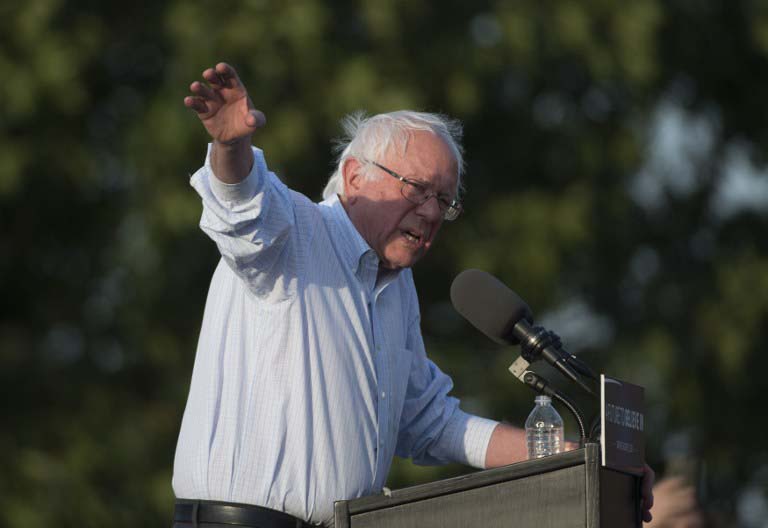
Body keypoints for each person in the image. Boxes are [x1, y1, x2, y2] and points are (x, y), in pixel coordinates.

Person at [173, 62, 654, 527]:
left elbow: (430, 421)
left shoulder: (396, 290)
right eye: (417, 189)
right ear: (356, 177)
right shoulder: (297, 233)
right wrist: (231, 147)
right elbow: (240, 210)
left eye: (444, 201)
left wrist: (573, 460)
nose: (430, 212)